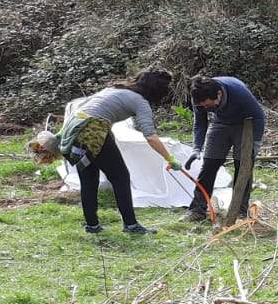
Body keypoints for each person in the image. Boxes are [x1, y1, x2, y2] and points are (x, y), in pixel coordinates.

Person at [28, 69, 183, 235]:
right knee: (120, 177)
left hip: (73, 130)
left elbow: (83, 109)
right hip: (93, 132)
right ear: (158, 91)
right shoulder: (140, 101)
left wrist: (61, 136)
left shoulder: (114, 89)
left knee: (89, 178)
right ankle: (131, 225)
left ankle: (92, 226)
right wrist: (170, 158)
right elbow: (150, 136)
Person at [186, 75, 266, 221]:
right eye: (203, 106)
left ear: (219, 94)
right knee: (209, 165)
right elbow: (200, 123)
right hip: (220, 124)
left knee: (243, 167)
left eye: (208, 106)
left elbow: (259, 115)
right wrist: (196, 148)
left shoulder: (239, 93)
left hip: (245, 124)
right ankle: (197, 210)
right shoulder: (199, 97)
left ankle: (239, 210)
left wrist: (254, 145)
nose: (205, 108)